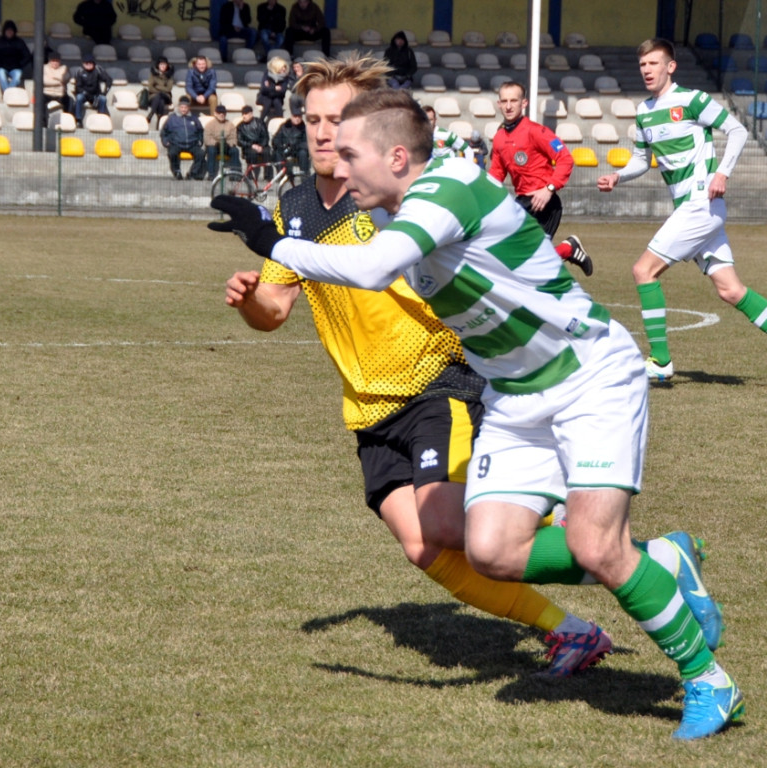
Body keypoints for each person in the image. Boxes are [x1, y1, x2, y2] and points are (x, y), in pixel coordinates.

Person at [210, 85, 742, 741]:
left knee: (594, 545)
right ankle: (662, 561)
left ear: (397, 157)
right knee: (490, 549)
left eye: (350, 153)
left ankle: (708, 681)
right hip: (517, 395)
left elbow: (374, 269)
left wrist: (269, 240)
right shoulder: (401, 210)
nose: (338, 168)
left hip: (588, 377)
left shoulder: (447, 189)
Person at [220, 54, 612, 679]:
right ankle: (572, 631)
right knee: (424, 546)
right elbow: (277, 309)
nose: (323, 132)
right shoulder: (294, 205)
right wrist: (251, 300)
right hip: (369, 405)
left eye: (338, 118)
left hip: (438, 385)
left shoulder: (391, 200)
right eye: (313, 118)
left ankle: (628, 557)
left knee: (451, 525)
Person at [597, 38, 767, 382]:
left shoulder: (692, 100)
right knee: (731, 290)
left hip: (700, 203)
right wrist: (618, 175)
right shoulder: (644, 111)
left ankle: (660, 361)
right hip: (696, 208)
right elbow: (643, 160)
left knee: (643, 271)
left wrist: (723, 172)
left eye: (654, 64)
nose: (647, 70)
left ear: (670, 66)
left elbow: (736, 130)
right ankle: (660, 361)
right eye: (643, 65)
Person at [490, 80, 594, 277]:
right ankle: (568, 249)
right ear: (499, 104)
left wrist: (549, 189)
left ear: (524, 103)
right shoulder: (499, 138)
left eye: (514, 100)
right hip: (521, 203)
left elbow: (565, 159)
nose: (509, 105)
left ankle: (568, 250)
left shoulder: (536, 131)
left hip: (544, 203)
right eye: (504, 101)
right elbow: (496, 174)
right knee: (522, 264)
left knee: (526, 265)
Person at [160, 96, 205, 180]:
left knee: (201, 154)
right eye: (182, 107)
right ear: (179, 107)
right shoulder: (172, 118)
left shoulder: (194, 118)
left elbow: (200, 131)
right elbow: (164, 132)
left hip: (192, 144)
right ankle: (177, 171)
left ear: (188, 108)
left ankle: (192, 173)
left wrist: (200, 141)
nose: (183, 109)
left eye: (185, 107)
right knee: (172, 153)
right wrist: (166, 142)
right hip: (176, 143)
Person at [0, 20, 32, 94]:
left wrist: (19, 64)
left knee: (17, 76)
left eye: (11, 30)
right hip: (1, 67)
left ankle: (7, 94)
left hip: (15, 68)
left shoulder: (20, 42)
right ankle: (9, 94)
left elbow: (27, 56)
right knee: (2, 77)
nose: (9, 32)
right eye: (8, 30)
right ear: (4, 31)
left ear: (14, 31)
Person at [272, 101, 309, 176]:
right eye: (295, 117)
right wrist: (282, 146)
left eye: (299, 117)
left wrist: (295, 146)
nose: (297, 119)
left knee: (303, 153)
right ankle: (280, 175)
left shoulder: (304, 129)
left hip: (297, 151)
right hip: (285, 149)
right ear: (291, 117)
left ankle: (304, 174)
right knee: (277, 152)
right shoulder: (284, 126)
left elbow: (306, 143)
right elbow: (276, 139)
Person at [73, 54, 112, 126]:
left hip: (95, 94)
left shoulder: (98, 70)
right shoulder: (80, 71)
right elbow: (78, 87)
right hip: (84, 94)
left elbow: (108, 80)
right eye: (86, 63)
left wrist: (104, 92)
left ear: (93, 63)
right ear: (83, 63)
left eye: (90, 63)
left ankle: (101, 118)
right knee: (79, 97)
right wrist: (85, 93)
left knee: (103, 99)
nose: (88, 64)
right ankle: (78, 120)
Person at [204, 104, 241, 179]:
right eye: (219, 113)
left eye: (223, 113)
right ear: (215, 114)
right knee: (211, 150)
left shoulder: (230, 124)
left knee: (235, 151)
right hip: (215, 146)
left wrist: (229, 144)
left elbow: (234, 138)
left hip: (226, 146)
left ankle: (234, 174)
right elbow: (207, 139)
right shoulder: (209, 125)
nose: (221, 115)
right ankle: (211, 174)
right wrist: (216, 143)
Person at [236, 104, 271, 180]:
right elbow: (239, 141)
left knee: (267, 152)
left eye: (246, 114)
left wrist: (261, 146)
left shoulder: (260, 123)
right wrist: (251, 145)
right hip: (248, 147)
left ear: (251, 114)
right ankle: (250, 175)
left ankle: (268, 176)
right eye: (243, 114)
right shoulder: (240, 126)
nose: (244, 116)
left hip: (261, 146)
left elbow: (265, 137)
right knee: (252, 153)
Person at [256, 56, 290, 121]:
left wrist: (270, 87)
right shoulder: (267, 74)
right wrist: (275, 88)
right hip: (263, 97)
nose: (284, 69)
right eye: (282, 67)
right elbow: (263, 89)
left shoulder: (285, 77)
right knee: (268, 101)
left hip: (277, 98)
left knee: (276, 101)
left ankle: (281, 122)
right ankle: (261, 122)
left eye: (285, 67)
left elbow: (282, 91)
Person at [143, 56, 174, 124]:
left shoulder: (169, 76)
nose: (163, 66)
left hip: (166, 96)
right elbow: (150, 88)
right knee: (160, 100)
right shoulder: (153, 75)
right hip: (153, 96)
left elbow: (169, 89)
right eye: (161, 64)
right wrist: (161, 90)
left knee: (160, 96)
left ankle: (151, 114)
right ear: (158, 65)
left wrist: (157, 86)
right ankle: (160, 119)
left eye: (164, 64)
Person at [42, 50, 71, 114]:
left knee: (68, 99)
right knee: (40, 100)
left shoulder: (64, 68)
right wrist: (59, 82)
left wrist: (53, 77)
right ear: (49, 61)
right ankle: (43, 122)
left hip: (60, 94)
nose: (55, 63)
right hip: (47, 93)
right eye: (53, 61)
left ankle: (66, 118)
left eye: (57, 61)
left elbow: (65, 78)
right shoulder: (44, 68)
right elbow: (44, 81)